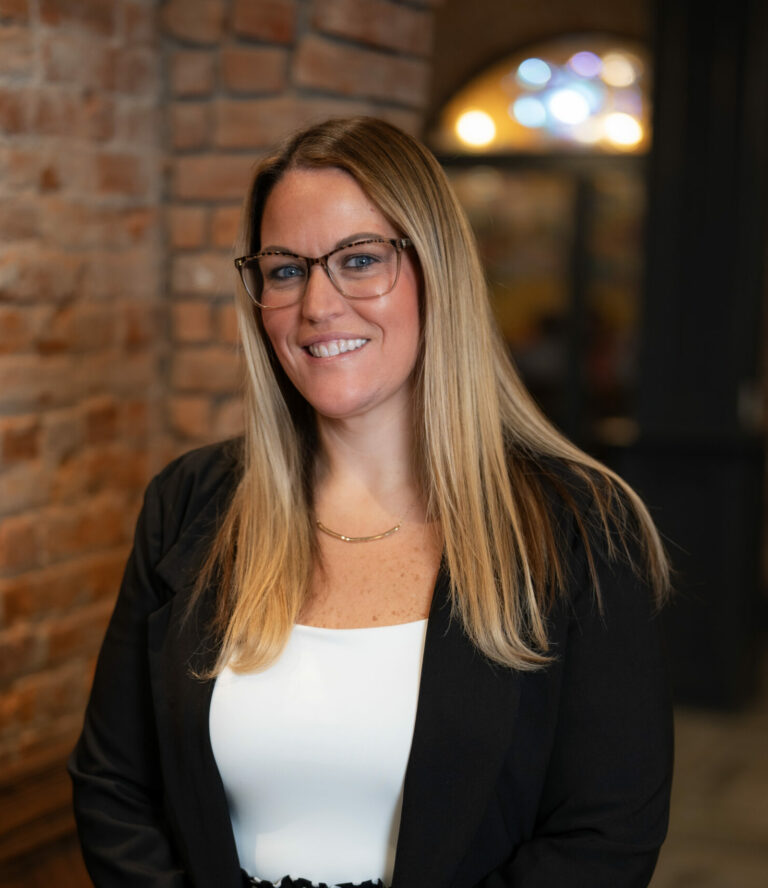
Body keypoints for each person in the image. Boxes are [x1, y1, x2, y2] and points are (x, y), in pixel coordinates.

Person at [68, 117, 673, 888]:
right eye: (285, 271)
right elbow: (115, 786)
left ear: (436, 271)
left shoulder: (581, 528)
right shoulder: (191, 504)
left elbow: (605, 836)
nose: (318, 304)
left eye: (359, 260)